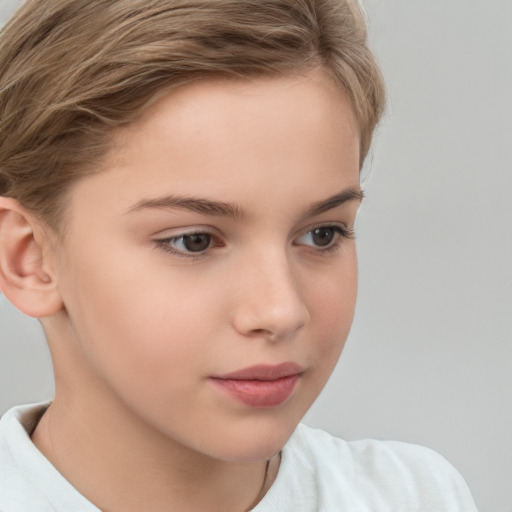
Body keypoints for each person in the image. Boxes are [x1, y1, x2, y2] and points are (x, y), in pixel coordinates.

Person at [0, 1, 478, 511]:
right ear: (29, 259)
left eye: (321, 234)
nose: (282, 311)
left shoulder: (414, 498)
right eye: (194, 241)